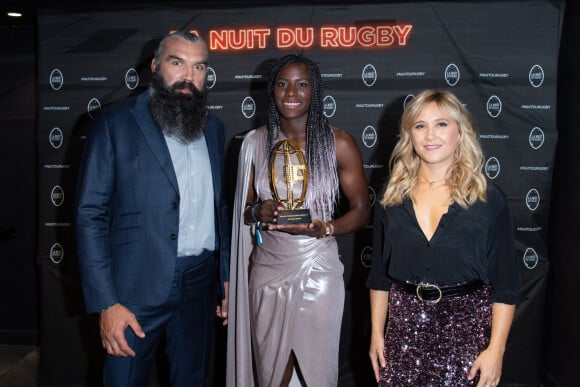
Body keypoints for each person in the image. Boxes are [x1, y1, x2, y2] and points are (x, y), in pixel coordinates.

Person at [75, 30, 230, 386]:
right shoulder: (114, 122)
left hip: (199, 284)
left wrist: (225, 278)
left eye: (199, 67)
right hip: (133, 291)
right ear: (155, 66)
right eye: (178, 63)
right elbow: (90, 215)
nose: (188, 76)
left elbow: (218, 207)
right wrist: (106, 303)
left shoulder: (213, 128)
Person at [226, 54, 371, 387]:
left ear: (314, 90)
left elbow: (363, 209)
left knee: (314, 369)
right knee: (272, 370)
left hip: (317, 268)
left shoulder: (339, 143)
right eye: (282, 83)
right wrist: (256, 212)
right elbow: (245, 207)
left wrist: (328, 228)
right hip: (268, 270)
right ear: (272, 90)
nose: (291, 92)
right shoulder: (254, 143)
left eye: (301, 84)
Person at [367, 89, 521, 387]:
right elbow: (379, 277)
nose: (430, 135)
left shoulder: (488, 199)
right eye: (420, 125)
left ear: (461, 133)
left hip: (465, 333)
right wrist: (377, 333)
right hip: (402, 335)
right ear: (409, 135)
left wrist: (496, 350)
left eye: (441, 124)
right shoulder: (391, 198)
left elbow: (506, 284)